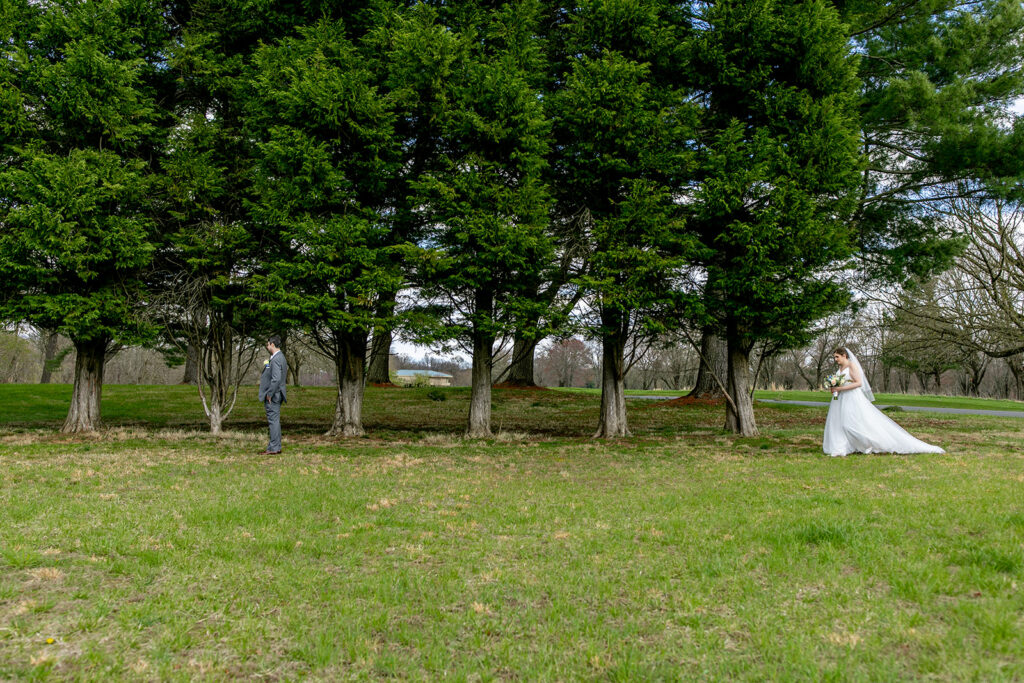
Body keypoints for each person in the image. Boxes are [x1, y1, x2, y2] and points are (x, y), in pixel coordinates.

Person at [823, 346, 944, 457]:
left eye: (837, 357)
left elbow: (859, 383)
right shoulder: (840, 368)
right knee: (840, 422)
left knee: (852, 423)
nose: (835, 359)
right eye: (834, 357)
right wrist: (835, 388)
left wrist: (841, 388)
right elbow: (841, 381)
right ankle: (844, 445)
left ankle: (871, 442)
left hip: (852, 397)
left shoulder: (851, 366)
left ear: (844, 355)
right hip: (841, 398)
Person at [258, 335, 288, 454]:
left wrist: (269, 393)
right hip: (278, 394)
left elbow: (276, 379)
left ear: (272, 344)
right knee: (275, 420)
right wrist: (267, 364)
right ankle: (276, 446)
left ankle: (274, 448)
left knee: (273, 421)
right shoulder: (279, 358)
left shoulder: (276, 359)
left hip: (274, 395)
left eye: (268, 344)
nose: (267, 346)